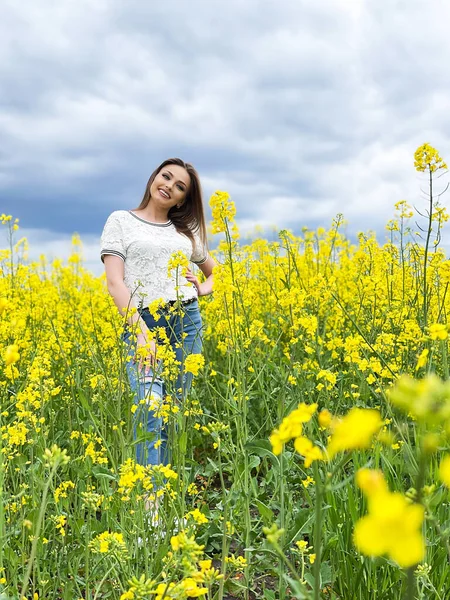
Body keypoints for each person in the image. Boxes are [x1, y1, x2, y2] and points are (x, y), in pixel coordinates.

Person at [100, 158, 215, 468]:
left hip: (186, 323)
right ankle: (149, 508)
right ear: (154, 177)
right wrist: (142, 335)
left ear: (182, 199)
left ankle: (166, 503)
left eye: (180, 187)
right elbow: (115, 283)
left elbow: (217, 274)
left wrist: (202, 288)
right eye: (166, 177)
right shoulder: (121, 221)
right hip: (144, 323)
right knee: (150, 407)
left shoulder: (185, 232)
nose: (169, 186)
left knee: (172, 414)